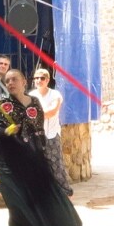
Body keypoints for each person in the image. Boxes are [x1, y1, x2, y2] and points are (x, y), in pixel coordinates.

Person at [0, 69, 82, 226]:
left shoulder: (34, 103)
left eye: (14, 79)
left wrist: (41, 155)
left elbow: (39, 130)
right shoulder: (4, 103)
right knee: (19, 205)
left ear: (24, 81)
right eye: (7, 80)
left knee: (39, 203)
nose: (10, 83)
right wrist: (7, 131)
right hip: (11, 163)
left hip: (34, 159)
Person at [30, 67, 71, 195]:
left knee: (56, 163)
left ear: (47, 80)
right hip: (36, 135)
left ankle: (65, 192)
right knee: (37, 164)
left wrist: (35, 114)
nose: (38, 80)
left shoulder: (55, 95)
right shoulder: (31, 96)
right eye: (36, 78)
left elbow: (52, 112)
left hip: (51, 135)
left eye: (41, 78)